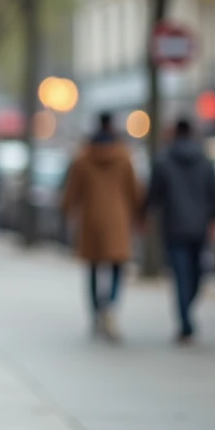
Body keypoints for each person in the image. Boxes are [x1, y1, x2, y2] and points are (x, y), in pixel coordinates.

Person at [60, 113, 141, 342]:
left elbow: (72, 191)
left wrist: (66, 211)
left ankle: (96, 312)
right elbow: (134, 190)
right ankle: (110, 306)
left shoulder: (83, 158)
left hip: (90, 219)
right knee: (117, 266)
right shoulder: (124, 156)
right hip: (118, 219)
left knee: (94, 268)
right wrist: (139, 214)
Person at [143, 118, 215, 345]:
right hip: (199, 228)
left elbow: (153, 195)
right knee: (197, 274)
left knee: (181, 277)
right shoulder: (205, 161)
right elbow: (214, 193)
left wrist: (144, 216)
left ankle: (185, 320)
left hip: (174, 227)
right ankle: (187, 316)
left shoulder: (163, 161)